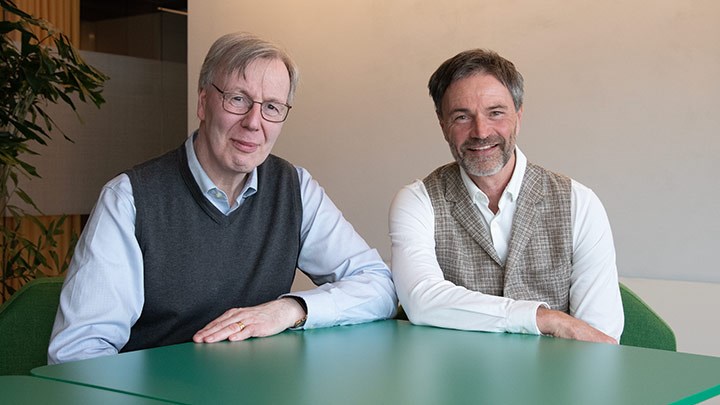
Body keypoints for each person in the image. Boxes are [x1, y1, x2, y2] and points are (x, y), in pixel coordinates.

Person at [49, 32, 397, 364]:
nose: (253, 122)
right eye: (238, 99)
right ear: (203, 102)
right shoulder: (129, 198)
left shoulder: (294, 187)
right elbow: (79, 352)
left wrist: (291, 309)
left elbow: (379, 286)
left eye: (272, 107)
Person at [389, 49, 623, 344]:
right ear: (442, 124)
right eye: (462, 116)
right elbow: (422, 300)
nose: (481, 131)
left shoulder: (580, 202)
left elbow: (598, 337)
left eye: (495, 112)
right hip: (454, 383)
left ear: (518, 116)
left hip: (556, 383)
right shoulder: (417, 201)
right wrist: (544, 318)